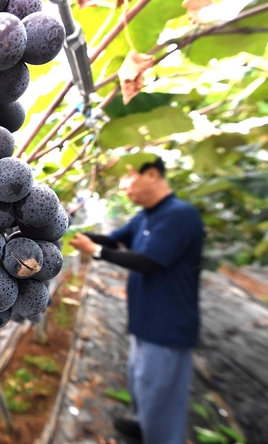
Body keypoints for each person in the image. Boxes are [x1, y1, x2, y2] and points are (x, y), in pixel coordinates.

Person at [70, 156, 204, 444]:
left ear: (152, 174)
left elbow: (147, 262)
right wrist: (64, 227)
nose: (123, 185)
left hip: (169, 323)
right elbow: (114, 238)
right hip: (145, 317)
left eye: (127, 177)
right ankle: (143, 423)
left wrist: (94, 250)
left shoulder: (180, 215)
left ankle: (161, 437)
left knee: (161, 392)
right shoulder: (145, 215)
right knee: (141, 380)